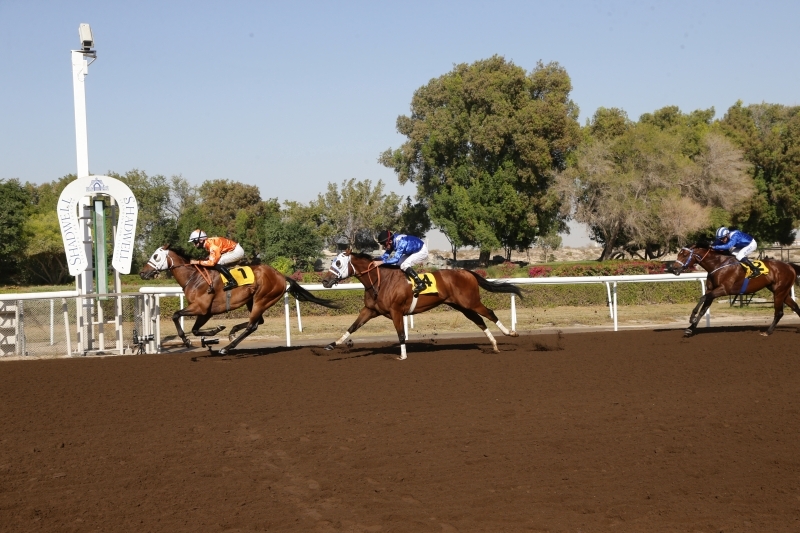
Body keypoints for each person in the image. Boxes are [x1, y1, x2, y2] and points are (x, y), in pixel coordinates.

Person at [377, 229, 429, 295]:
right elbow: (385, 255)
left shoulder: (401, 242)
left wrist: (381, 262)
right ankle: (402, 281)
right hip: (412, 251)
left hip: (421, 251)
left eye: (384, 244)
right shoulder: (392, 241)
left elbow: (396, 259)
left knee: (404, 265)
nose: (384, 247)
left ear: (389, 241)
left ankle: (420, 283)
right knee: (398, 264)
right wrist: (375, 260)